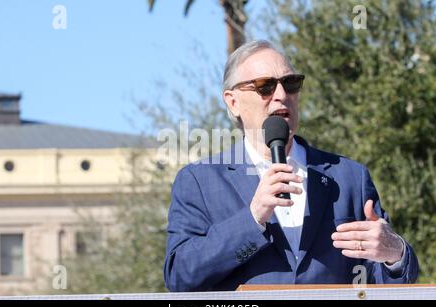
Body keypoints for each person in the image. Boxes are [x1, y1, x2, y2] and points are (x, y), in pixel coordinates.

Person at [163, 40, 419, 292]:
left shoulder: (350, 177)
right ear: (233, 102)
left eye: (291, 83)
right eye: (265, 87)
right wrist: (253, 218)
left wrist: (394, 254)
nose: (282, 95)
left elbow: (385, 284)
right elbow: (180, 276)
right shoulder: (199, 182)